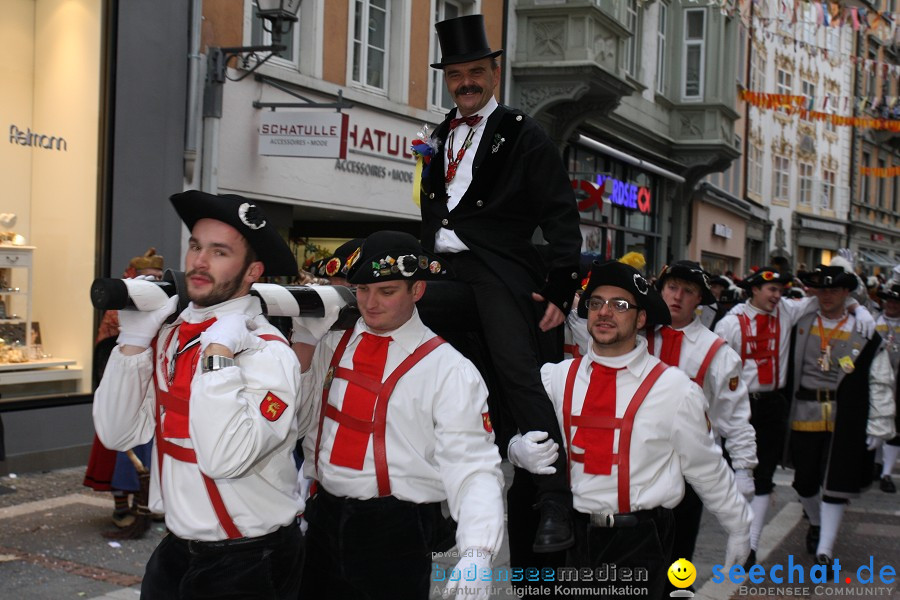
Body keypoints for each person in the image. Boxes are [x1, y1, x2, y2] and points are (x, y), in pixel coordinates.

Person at [420, 13, 583, 557]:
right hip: (442, 271)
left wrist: (560, 289)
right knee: (413, 365)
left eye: (474, 72)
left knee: (517, 370)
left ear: (493, 72)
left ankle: (555, 500)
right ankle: (430, 504)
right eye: (455, 74)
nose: (465, 82)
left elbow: (560, 214)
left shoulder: (521, 132)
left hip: (497, 268)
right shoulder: (440, 133)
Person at [93, 190, 306, 599]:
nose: (199, 262)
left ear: (252, 271)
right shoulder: (170, 335)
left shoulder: (267, 352)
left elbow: (224, 459)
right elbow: (116, 433)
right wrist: (133, 345)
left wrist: (218, 359)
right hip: (176, 548)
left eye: (219, 252)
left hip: (248, 559)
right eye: (195, 246)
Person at [511, 260, 751, 599]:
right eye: (596, 303)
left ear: (640, 319)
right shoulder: (556, 377)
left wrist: (739, 525)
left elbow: (706, 466)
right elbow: (521, 433)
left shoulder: (674, 389)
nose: (605, 312)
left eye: (619, 305)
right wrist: (517, 449)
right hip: (569, 539)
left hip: (638, 541)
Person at [291, 231, 504, 600]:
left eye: (386, 291)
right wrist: (304, 348)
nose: (370, 303)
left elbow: (473, 465)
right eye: (362, 290)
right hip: (323, 516)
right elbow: (299, 420)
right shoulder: (331, 343)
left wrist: (477, 551)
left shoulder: (449, 369)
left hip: (396, 531)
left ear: (417, 290)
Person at [713, 267, 875, 565]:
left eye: (780, 290)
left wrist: (858, 308)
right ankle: (739, 540)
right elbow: (716, 370)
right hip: (740, 405)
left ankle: (751, 545)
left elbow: (830, 297)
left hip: (775, 403)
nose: (777, 295)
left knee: (765, 476)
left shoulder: (788, 311)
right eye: (770, 290)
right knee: (739, 476)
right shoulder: (731, 324)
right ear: (754, 290)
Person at [648, 261, 757, 569]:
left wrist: (744, 469)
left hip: (688, 468)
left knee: (678, 559)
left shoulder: (717, 351)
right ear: (661, 289)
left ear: (700, 299)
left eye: (688, 290)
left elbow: (734, 416)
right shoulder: (637, 335)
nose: (677, 296)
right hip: (635, 465)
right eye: (672, 287)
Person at [787, 265, 895, 565]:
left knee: (837, 482)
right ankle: (816, 520)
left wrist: (880, 423)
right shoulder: (800, 319)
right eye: (822, 289)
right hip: (804, 413)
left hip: (845, 416)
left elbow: (880, 379)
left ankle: (825, 550)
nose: (827, 296)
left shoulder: (863, 330)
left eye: (834, 290)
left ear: (846, 292)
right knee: (805, 483)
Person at [83, 248, 165, 536]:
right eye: (148, 277)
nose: (154, 281)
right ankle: (121, 504)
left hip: (152, 384)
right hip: (124, 384)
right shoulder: (121, 303)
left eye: (158, 277)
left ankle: (146, 503)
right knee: (119, 445)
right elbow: (107, 346)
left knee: (150, 445)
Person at [874, 279, 900, 493]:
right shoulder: (872, 322)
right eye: (889, 301)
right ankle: (876, 463)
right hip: (875, 383)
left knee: (895, 429)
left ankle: (886, 473)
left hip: (898, 384)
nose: (892, 305)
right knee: (875, 422)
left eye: (896, 302)